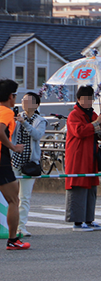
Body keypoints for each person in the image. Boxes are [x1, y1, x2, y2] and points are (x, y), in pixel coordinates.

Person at [65, 86, 101, 232]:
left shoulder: (93, 114)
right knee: (78, 186)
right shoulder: (74, 114)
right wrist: (96, 124)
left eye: (90, 98)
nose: (88, 101)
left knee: (91, 187)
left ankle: (89, 219)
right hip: (78, 156)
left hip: (90, 155)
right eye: (85, 99)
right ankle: (77, 221)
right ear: (79, 99)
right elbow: (79, 131)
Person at [11, 92, 45, 238]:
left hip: (30, 163)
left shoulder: (40, 120)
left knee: (25, 196)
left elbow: (37, 135)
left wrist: (24, 123)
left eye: (30, 101)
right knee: (10, 196)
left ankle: (21, 226)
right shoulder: (16, 117)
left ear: (37, 104)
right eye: (24, 100)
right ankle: (9, 225)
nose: (26, 103)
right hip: (14, 160)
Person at [0, 80, 25, 249]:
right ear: (11, 96)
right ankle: (13, 240)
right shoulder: (6, 112)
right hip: (1, 162)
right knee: (13, 200)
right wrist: (13, 147)